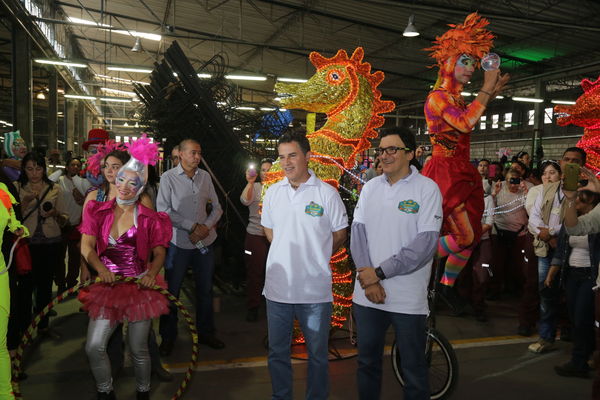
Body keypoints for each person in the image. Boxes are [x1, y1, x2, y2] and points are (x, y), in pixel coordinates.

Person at [421, 12, 509, 310]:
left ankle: (446, 287)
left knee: (470, 239)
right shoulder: (437, 97)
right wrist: (486, 89)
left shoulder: (457, 98)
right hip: (444, 171)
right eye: (465, 61)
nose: (471, 69)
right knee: (465, 235)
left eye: (474, 62)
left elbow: (467, 116)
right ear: (448, 62)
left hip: (462, 171)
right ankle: (413, 258)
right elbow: (465, 124)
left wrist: (489, 94)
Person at [350, 129, 442, 400]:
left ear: (411, 154)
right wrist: (369, 279)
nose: (385, 155)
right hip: (367, 297)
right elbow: (358, 234)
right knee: (367, 363)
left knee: (413, 367)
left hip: (406, 299)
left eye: (393, 149)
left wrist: (378, 274)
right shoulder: (370, 188)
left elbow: (424, 246)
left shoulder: (427, 189)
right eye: (381, 150)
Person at [79, 135, 172, 400]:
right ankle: (105, 391)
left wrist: (152, 274)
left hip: (138, 287)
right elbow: (86, 246)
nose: (124, 186)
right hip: (107, 287)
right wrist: (99, 267)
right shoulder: (97, 210)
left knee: (138, 347)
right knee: (94, 346)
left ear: (141, 187)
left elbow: (159, 252)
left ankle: (143, 392)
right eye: (121, 179)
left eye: (133, 182)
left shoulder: (148, 217)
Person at [261, 131, 348, 400]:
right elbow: (269, 231)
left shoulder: (327, 194)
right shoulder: (274, 192)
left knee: (318, 355)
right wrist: (287, 253)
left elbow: (339, 234)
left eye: (292, 155)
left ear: (307, 157)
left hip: (314, 292)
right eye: (282, 157)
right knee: (277, 353)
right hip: (277, 290)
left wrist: (314, 255)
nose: (286, 162)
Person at [157, 139, 224, 352]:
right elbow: (164, 211)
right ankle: (168, 337)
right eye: (193, 153)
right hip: (179, 244)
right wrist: (192, 226)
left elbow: (218, 208)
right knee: (172, 292)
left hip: (204, 242)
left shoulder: (205, 177)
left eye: (199, 153)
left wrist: (204, 227)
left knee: (205, 290)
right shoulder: (168, 178)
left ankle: (206, 333)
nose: (197, 157)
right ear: (181, 154)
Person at [526, 156, 580, 353]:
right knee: (546, 292)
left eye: (553, 172)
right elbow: (533, 216)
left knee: (572, 294)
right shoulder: (543, 190)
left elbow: (574, 219)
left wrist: (553, 231)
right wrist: (546, 234)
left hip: (570, 248)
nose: (549, 176)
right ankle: (546, 336)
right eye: (545, 173)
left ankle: (578, 340)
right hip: (546, 248)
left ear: (561, 174)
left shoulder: (576, 192)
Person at [546, 190, 600, 378]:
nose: (575, 201)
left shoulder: (596, 221)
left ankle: (579, 361)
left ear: (590, 201)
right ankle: (587, 355)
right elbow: (561, 250)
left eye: (579, 198)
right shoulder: (572, 221)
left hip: (590, 277)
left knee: (582, 318)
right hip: (571, 275)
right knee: (574, 317)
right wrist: (552, 273)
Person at [14, 152, 68, 337]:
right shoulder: (16, 187)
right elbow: (12, 218)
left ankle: (43, 326)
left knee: (45, 286)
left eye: (38, 169)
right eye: (30, 169)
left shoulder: (54, 188)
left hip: (50, 242)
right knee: (25, 287)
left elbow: (64, 218)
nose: (34, 173)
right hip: (25, 244)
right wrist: (26, 201)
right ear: (23, 170)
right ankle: (23, 327)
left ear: (44, 170)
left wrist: (53, 213)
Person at [491, 168, 538, 336]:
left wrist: (526, 194)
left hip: (520, 232)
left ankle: (516, 288)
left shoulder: (529, 188)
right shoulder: (498, 186)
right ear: (505, 179)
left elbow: (531, 211)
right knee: (497, 263)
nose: (513, 184)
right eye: (510, 180)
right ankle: (495, 289)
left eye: (516, 180)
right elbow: (490, 207)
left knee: (519, 265)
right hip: (499, 230)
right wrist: (494, 194)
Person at [0, 183, 27, 400]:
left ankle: (5, 394)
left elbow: (12, 219)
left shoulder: (1, 192)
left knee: (0, 343)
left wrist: (18, 227)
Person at [240, 158, 273, 322]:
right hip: (255, 235)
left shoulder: (280, 188)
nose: (266, 173)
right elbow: (244, 200)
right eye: (263, 170)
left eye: (269, 169)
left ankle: (274, 306)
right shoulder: (256, 186)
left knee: (274, 273)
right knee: (254, 272)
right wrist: (250, 182)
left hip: (275, 238)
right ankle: (253, 307)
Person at [57, 157, 90, 292]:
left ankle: (71, 282)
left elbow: (88, 203)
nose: (75, 167)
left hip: (77, 224)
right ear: (67, 167)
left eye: (78, 165)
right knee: (59, 257)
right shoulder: (60, 181)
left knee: (75, 257)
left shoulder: (83, 183)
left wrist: (82, 199)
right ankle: (60, 284)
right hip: (61, 224)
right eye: (72, 165)